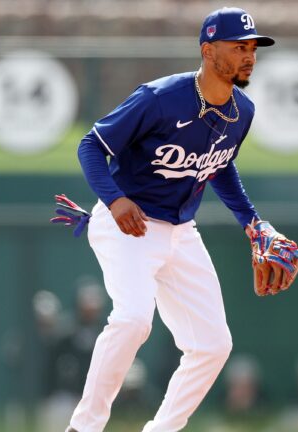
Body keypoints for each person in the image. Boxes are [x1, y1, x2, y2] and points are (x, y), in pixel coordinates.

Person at [66, 7, 281, 432]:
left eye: (253, 48)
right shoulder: (160, 98)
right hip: (130, 224)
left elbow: (218, 166)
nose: (249, 56)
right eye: (239, 47)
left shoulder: (243, 111)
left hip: (181, 231)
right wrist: (114, 199)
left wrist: (254, 223)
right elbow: (91, 145)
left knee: (213, 345)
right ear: (208, 50)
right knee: (131, 320)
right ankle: (84, 427)